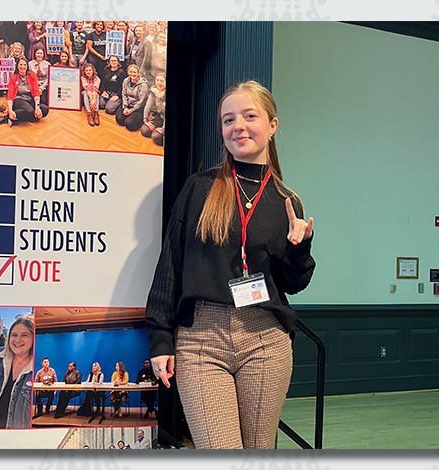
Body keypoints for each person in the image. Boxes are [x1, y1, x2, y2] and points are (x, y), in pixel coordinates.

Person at [145, 80, 316, 449]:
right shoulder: (199, 188)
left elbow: (292, 282)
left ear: (272, 125)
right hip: (202, 341)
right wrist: (160, 339)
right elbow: (169, 266)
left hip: (265, 339)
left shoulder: (288, 201)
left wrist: (300, 248)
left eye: (249, 116)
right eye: (228, 120)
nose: (237, 126)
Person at [115, 64, 148, 132]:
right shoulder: (125, 81)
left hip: (137, 107)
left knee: (129, 124)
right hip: (128, 104)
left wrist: (132, 110)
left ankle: (138, 119)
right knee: (119, 120)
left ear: (138, 73)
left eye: (134, 72)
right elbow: (123, 94)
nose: (132, 74)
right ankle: (129, 115)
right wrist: (125, 107)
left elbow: (141, 101)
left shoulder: (143, 85)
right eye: (130, 72)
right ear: (128, 72)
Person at [140, 73, 166, 147]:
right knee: (144, 131)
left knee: (156, 137)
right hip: (159, 117)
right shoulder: (154, 91)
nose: (159, 83)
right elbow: (148, 106)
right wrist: (145, 121)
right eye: (157, 80)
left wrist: (162, 130)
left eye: (162, 81)